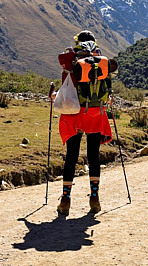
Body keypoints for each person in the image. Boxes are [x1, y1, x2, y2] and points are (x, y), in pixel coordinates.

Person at [51, 30, 115, 216]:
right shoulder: (101, 60)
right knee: (93, 155)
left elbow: (66, 88)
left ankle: (65, 200)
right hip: (95, 113)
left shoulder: (71, 59)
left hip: (74, 114)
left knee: (72, 155)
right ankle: (94, 199)